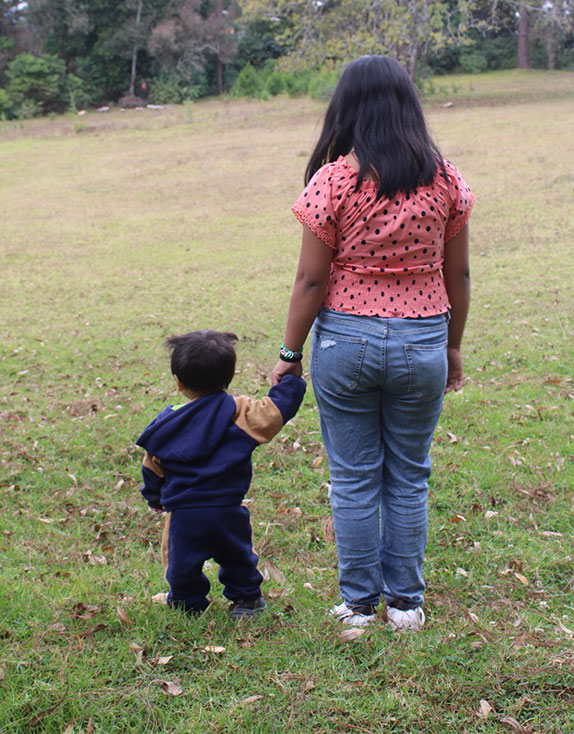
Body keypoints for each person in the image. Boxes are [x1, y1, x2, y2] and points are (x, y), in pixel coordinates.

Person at [271, 55, 474, 631]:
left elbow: (310, 280)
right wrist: (452, 346)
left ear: (347, 108)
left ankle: (358, 606)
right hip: (422, 341)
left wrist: (288, 356)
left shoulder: (334, 180)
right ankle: (406, 605)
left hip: (345, 343)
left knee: (355, 477)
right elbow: (458, 277)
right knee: (409, 475)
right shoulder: (446, 179)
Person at [137, 330, 306, 618]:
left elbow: (152, 466)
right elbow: (277, 410)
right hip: (228, 509)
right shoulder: (240, 412)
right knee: (238, 556)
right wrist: (290, 380)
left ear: (177, 381)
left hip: (184, 513)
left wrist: (154, 497)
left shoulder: (167, 424)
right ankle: (247, 601)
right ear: (229, 377)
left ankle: (187, 603)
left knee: (180, 563)